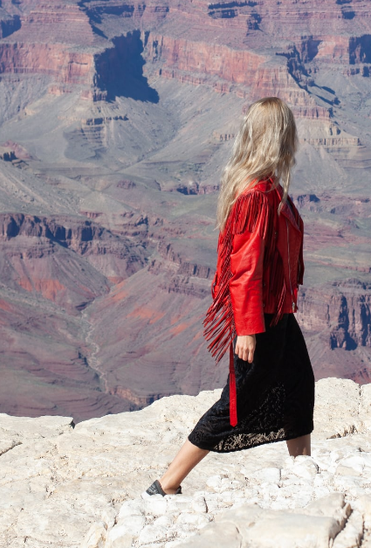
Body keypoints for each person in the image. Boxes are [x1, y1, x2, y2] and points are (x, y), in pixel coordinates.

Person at [147, 96, 314, 496]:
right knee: (236, 406)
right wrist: (246, 330)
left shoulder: (269, 187)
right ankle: (166, 483)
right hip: (260, 318)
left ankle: (303, 472)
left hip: (278, 313)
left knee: (299, 385)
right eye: (289, 131)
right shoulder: (257, 196)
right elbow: (245, 269)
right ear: (279, 137)